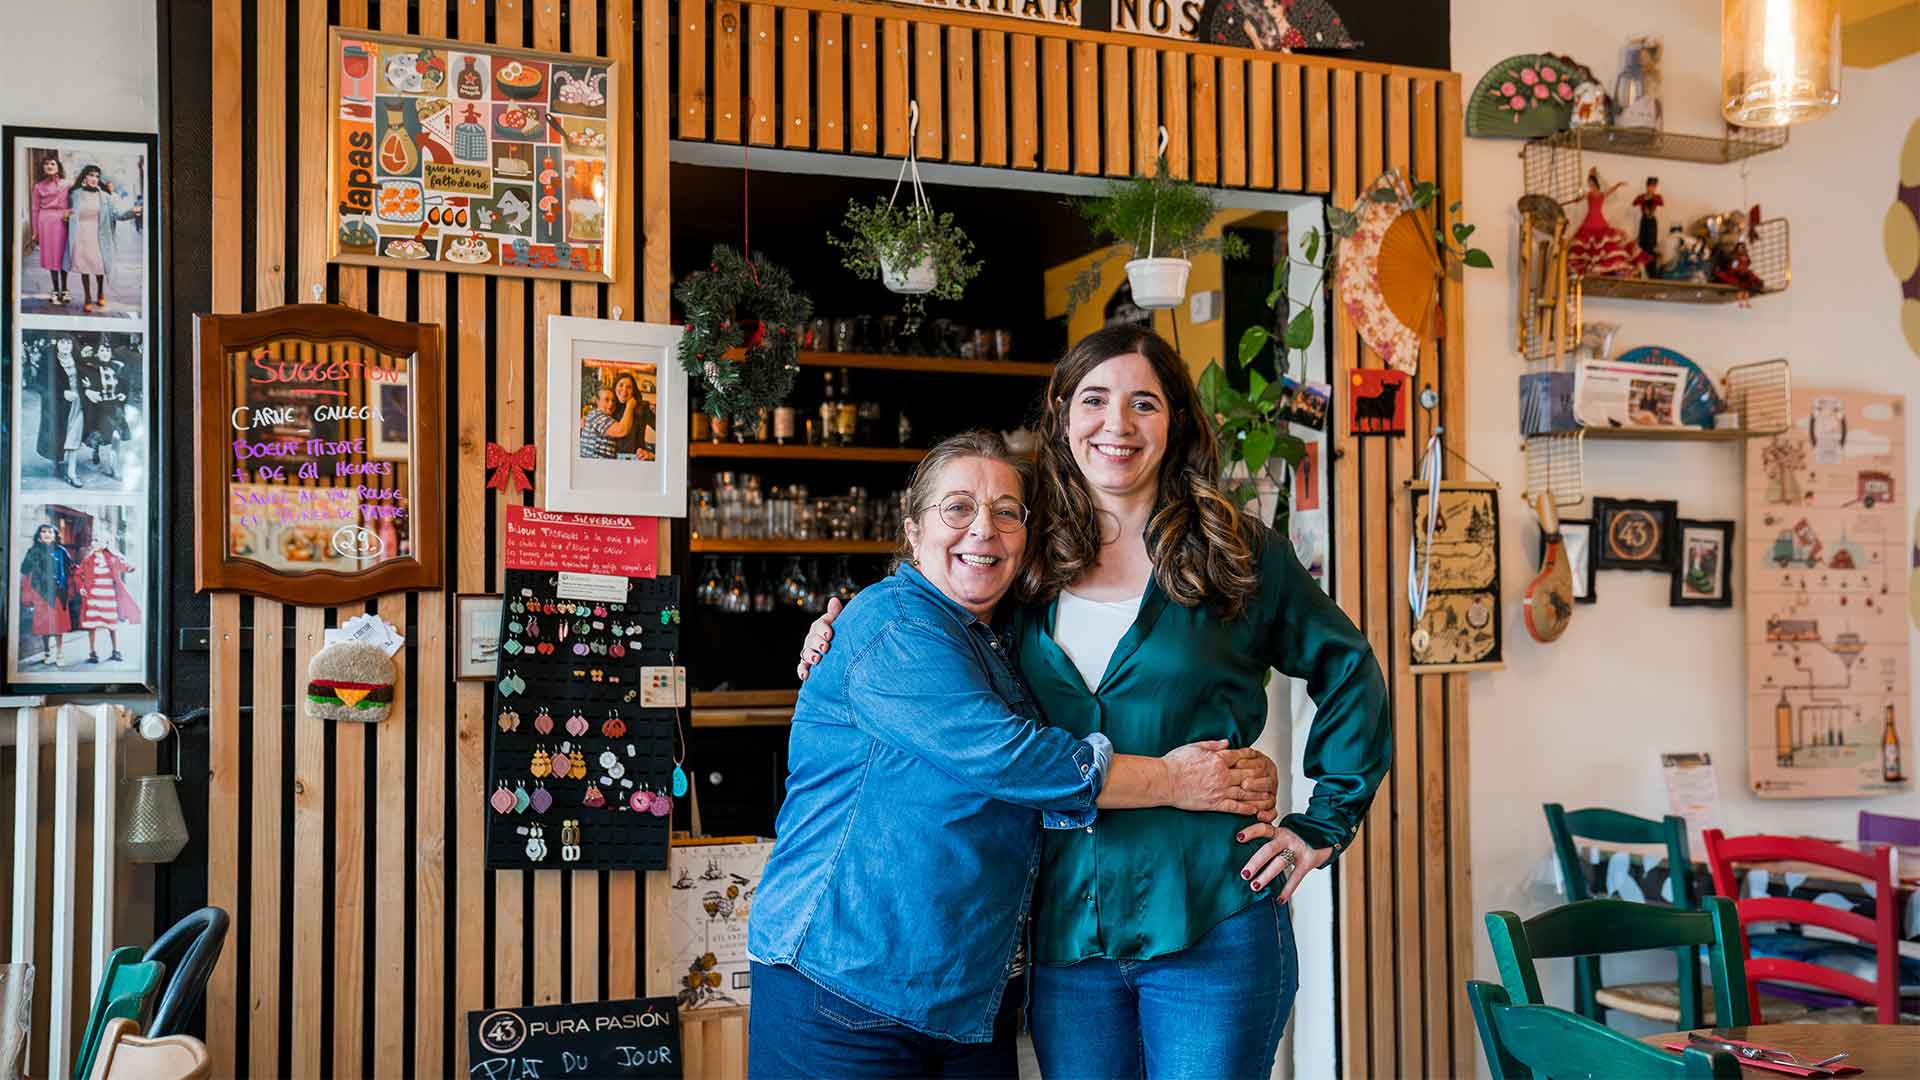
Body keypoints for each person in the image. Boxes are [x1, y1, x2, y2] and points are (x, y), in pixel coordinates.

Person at [800, 327, 1391, 1079]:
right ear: (1061, 413)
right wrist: (841, 623)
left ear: (1174, 420)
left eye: (1144, 403)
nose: (1117, 424)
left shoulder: (1238, 552)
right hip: (1064, 932)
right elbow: (935, 610)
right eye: (1095, 400)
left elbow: (1348, 666)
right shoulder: (1025, 553)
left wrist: (1324, 821)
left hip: (1212, 917)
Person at [748, 430, 1287, 1079]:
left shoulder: (1001, 633)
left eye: (1008, 512)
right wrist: (1177, 779)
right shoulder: (890, 626)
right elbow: (1015, 759)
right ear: (914, 530)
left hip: (965, 997)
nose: (986, 529)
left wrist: (1234, 757)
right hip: (844, 989)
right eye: (958, 509)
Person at [65, 165, 139, 313]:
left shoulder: (105, 196)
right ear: (85, 177)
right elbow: (68, 211)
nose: (94, 179)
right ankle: (87, 297)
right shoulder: (75, 194)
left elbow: (116, 214)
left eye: (97, 176)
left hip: (98, 234)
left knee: (99, 266)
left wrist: (132, 212)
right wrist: (66, 216)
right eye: (91, 175)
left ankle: (100, 292)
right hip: (80, 234)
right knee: (83, 267)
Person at [1562, 166, 1648, 279]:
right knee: (1586, 247)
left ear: (1596, 184)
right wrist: (1589, 175)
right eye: (1589, 184)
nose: (1590, 186)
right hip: (1589, 222)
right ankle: (1590, 269)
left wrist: (1619, 184)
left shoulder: (1601, 194)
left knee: (1607, 245)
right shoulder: (1588, 194)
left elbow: (1611, 190)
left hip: (1599, 222)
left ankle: (1607, 269)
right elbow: (1580, 198)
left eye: (1592, 184)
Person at [72, 535, 138, 664]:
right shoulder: (88, 559)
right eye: (93, 540)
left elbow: (127, 566)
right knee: (92, 625)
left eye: (97, 540)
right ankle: (92, 652)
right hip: (92, 597)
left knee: (111, 624)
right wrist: (81, 587)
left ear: (106, 543)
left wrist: (131, 567)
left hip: (108, 597)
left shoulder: (113, 558)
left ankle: (115, 650)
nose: (94, 542)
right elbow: (78, 575)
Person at [33, 337, 86, 488]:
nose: (66, 346)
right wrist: (62, 394)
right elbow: (40, 385)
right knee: (59, 437)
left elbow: (87, 375)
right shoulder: (49, 361)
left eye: (68, 342)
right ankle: (57, 462)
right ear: (57, 344)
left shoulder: (77, 359)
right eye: (62, 342)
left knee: (74, 436)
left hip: (78, 403)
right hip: (58, 406)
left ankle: (72, 473)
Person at [18, 524, 73, 667]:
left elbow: (71, 568)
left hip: (59, 592)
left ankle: (60, 653)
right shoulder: (33, 550)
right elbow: (24, 569)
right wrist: (32, 557)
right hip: (41, 593)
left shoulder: (61, 551)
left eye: (50, 532)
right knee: (44, 625)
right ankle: (47, 652)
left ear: (55, 535)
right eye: (44, 532)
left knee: (59, 625)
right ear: (39, 535)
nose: (47, 534)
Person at [81, 340, 130, 480]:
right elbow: (82, 380)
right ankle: (95, 451)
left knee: (116, 436)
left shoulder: (117, 367)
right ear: (97, 353)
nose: (105, 353)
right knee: (100, 436)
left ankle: (114, 468)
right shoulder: (90, 367)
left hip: (115, 407)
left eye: (107, 350)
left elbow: (124, 385)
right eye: (102, 350)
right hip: (99, 408)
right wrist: (86, 389)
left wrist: (123, 395)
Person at [29, 155, 72, 305]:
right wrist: (35, 231)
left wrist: (70, 212)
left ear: (58, 166)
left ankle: (65, 289)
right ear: (43, 168)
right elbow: (34, 209)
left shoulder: (68, 184)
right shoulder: (38, 186)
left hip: (63, 221)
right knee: (52, 257)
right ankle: (55, 289)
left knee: (63, 255)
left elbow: (76, 200)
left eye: (52, 163)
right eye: (46, 164)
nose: (49, 166)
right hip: (45, 222)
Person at [607, 372, 655, 460]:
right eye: (621, 385)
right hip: (611, 460)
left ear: (633, 391)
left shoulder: (642, 408)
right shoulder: (608, 407)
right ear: (614, 387)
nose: (624, 390)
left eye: (629, 387)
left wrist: (652, 455)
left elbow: (665, 430)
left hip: (636, 459)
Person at [578, 386, 617, 459]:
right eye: (606, 400)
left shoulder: (596, 414)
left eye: (613, 400)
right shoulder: (598, 415)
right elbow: (621, 430)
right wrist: (630, 405)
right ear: (598, 401)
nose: (611, 404)